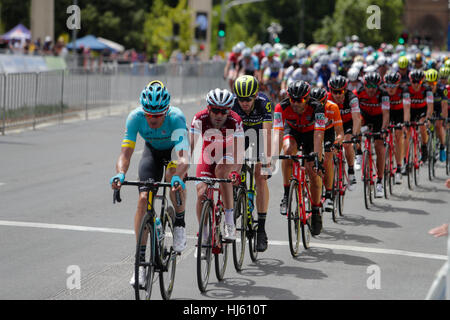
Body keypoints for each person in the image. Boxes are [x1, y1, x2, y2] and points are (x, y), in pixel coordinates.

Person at [110, 80, 190, 287]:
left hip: (173, 153)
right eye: (149, 114)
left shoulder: (176, 117)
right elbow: (125, 153)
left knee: (174, 175)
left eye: (158, 115)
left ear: (166, 111)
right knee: (143, 199)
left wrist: (177, 177)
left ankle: (179, 223)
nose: (153, 119)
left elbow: (184, 159)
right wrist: (120, 174)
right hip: (152, 153)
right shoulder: (135, 118)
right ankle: (141, 266)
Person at [190, 88, 244, 247]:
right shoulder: (199, 118)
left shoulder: (235, 121)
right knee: (201, 192)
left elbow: (239, 151)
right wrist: (182, 169)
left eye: (224, 111)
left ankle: (229, 223)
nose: (220, 115)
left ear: (229, 110)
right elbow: (189, 147)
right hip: (209, 154)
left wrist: (235, 171)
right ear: (208, 108)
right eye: (215, 110)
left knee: (222, 172)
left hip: (229, 153)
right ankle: (204, 234)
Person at [273, 80, 325, 236]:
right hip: (293, 131)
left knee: (313, 172)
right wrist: (273, 155)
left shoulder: (317, 107)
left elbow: (318, 133)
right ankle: (286, 193)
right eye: (292, 100)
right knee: (288, 150)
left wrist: (317, 156)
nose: (296, 104)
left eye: (300, 100)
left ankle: (315, 211)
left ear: (307, 98)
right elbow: (277, 132)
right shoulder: (281, 107)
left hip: (311, 136)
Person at [232, 75, 272, 252]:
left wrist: (267, 162)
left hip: (260, 139)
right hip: (240, 138)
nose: (244, 103)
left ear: (255, 95)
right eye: (241, 99)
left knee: (260, 177)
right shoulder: (232, 104)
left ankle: (261, 229)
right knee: (232, 167)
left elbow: (267, 134)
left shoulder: (264, 103)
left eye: (248, 99)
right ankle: (237, 194)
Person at [356, 72, 390, 198]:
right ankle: (358, 152)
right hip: (364, 117)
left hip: (379, 119)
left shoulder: (383, 94)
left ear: (378, 86)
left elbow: (386, 114)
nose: (371, 89)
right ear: (364, 85)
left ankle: (380, 181)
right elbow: (354, 113)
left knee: (379, 147)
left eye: (374, 86)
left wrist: (383, 129)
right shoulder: (358, 93)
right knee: (357, 125)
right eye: (368, 86)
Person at [310, 87, 344, 212]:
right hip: (312, 132)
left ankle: (329, 194)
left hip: (328, 131)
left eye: (321, 102)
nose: (318, 105)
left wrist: (336, 143)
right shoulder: (308, 109)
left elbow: (340, 132)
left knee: (328, 158)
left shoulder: (332, 107)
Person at [327, 75, 361, 187]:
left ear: (345, 90)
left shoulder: (352, 98)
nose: (337, 95)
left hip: (347, 124)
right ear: (330, 91)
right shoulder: (326, 99)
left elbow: (356, 118)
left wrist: (355, 135)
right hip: (332, 125)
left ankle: (351, 172)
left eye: (340, 91)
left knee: (347, 144)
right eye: (334, 92)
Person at [382, 72, 410, 181]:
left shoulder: (404, 90)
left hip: (399, 113)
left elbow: (407, 107)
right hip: (386, 113)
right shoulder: (382, 91)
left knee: (398, 137)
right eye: (388, 85)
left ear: (398, 84)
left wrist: (406, 122)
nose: (391, 88)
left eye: (394, 86)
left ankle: (399, 167)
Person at [404, 69, 434, 162]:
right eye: (414, 81)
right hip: (411, 110)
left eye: (419, 81)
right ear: (410, 81)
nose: (416, 84)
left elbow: (430, 106)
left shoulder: (427, 89)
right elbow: (406, 108)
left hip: (422, 110)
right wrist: (406, 122)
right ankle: (406, 159)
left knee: (422, 124)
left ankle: (424, 145)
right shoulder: (406, 89)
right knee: (407, 132)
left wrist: (428, 119)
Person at [425, 69, 448, 162]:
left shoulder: (442, 89)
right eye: (429, 83)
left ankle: (442, 146)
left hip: (439, 108)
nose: (431, 85)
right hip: (428, 108)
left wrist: (444, 118)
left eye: (433, 82)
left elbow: (444, 105)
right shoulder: (425, 89)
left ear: (437, 82)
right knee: (425, 125)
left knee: (438, 125)